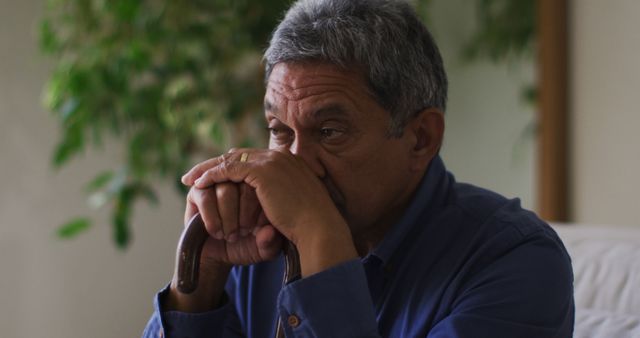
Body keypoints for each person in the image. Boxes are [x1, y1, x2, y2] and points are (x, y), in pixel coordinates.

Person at [142, 0, 574, 337]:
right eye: (278, 130)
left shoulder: (517, 262)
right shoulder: (255, 241)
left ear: (421, 137)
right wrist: (199, 283)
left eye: (329, 131)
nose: (294, 167)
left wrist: (320, 239)